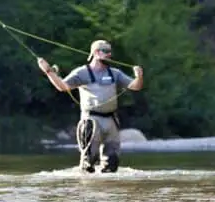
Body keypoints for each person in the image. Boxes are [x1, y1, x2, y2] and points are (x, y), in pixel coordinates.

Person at [36, 39, 143, 173]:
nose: (109, 54)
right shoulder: (82, 72)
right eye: (105, 51)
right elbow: (62, 87)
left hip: (111, 121)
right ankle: (87, 190)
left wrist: (139, 77)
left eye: (110, 51)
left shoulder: (115, 73)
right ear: (96, 53)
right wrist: (48, 71)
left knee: (112, 162)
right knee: (89, 162)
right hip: (91, 121)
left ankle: (110, 191)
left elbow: (136, 86)